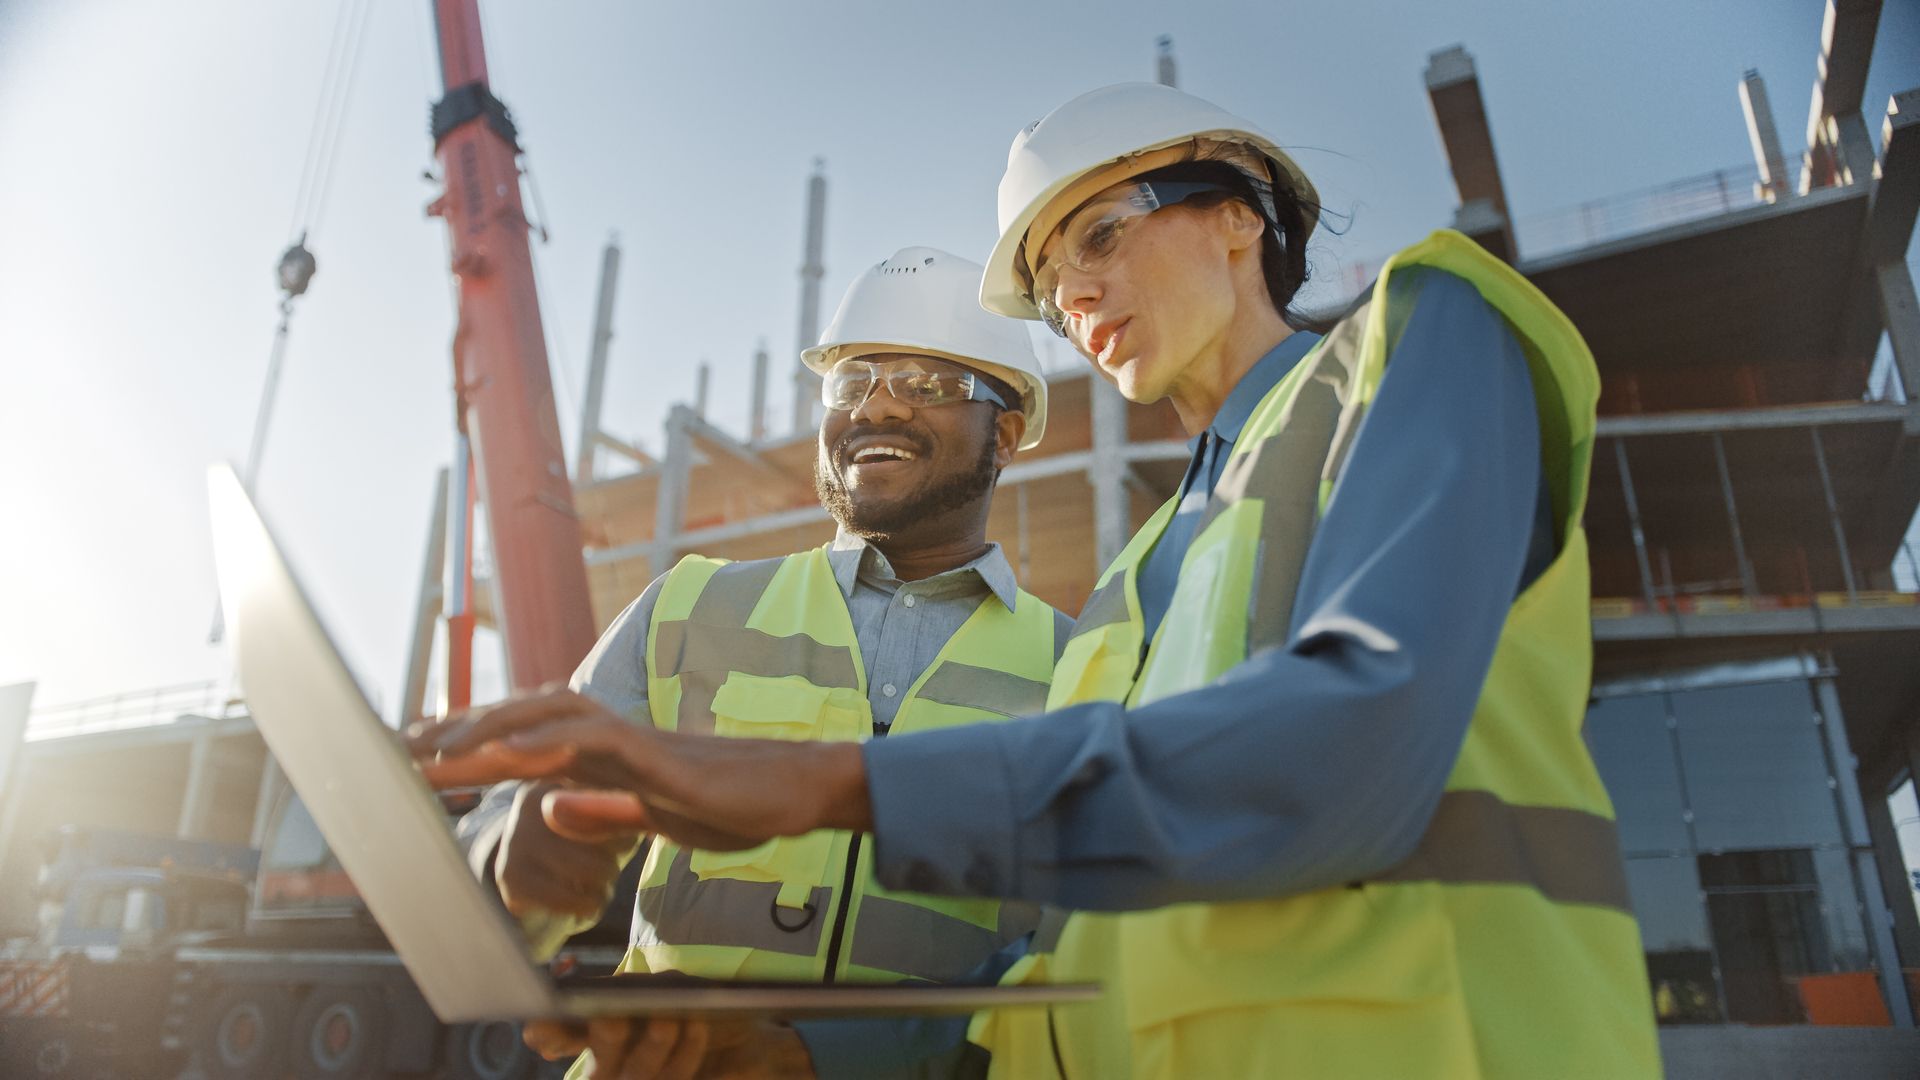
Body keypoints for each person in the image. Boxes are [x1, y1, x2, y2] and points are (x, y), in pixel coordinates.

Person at [419, 83, 1661, 1079]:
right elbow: (1043, 967)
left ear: (1239, 213)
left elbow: (1348, 751)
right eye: (1056, 279)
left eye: (1103, 235)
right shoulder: (1126, 597)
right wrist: (797, 1052)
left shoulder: (1417, 339)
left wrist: (810, 781)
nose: (1077, 292)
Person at [449, 246, 1071, 1078]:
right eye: (851, 384)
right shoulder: (689, 607)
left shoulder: (1082, 667)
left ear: (1005, 432)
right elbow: (509, 820)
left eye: (929, 384)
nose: (877, 408)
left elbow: (1069, 958)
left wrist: (826, 1058)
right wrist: (509, 859)